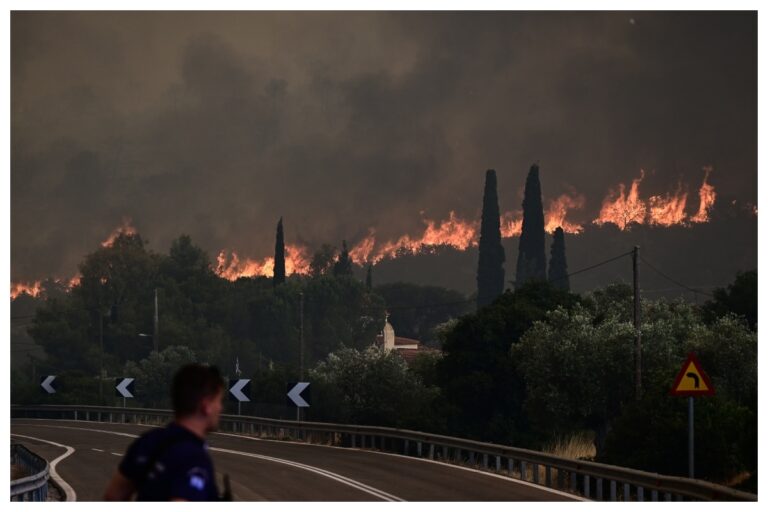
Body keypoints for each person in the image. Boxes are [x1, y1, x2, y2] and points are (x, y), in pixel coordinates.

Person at [104, 364, 225, 501]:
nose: (220, 408)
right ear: (206, 405)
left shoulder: (148, 441)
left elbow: (113, 496)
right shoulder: (194, 457)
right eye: (218, 401)